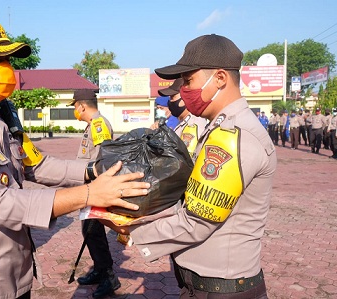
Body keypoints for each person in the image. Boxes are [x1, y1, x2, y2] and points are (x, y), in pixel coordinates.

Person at [0, 17, 149, 299]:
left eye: (9, 61)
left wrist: (95, 170)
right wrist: (89, 194)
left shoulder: (2, 121)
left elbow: (36, 165)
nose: (7, 70)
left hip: (16, 278)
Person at [107, 34, 277, 298]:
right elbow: (191, 200)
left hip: (223, 289)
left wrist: (131, 231)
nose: (184, 90)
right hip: (205, 284)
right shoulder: (218, 129)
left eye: (189, 81)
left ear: (220, 78)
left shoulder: (235, 137)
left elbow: (197, 222)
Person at [67, 89, 121, 298]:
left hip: (96, 188)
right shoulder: (92, 125)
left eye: (74, 107)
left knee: (93, 231)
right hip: (89, 186)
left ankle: (109, 277)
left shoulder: (98, 124)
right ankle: (100, 270)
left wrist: (97, 188)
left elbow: (103, 157)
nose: (75, 111)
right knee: (90, 231)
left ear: (81, 106)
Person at [158, 77, 208, 156]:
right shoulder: (183, 122)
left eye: (172, 97)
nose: (170, 102)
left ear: (185, 98)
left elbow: (184, 161)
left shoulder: (193, 125)